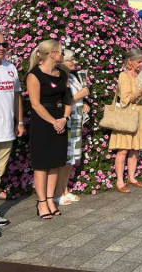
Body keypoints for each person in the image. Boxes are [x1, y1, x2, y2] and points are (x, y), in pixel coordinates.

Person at [27, 39, 72, 219]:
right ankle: (41, 202)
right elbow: (36, 104)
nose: (62, 55)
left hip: (60, 121)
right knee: (42, 164)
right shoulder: (34, 75)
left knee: (55, 163)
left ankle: (50, 199)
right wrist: (54, 121)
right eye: (60, 51)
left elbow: (68, 98)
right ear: (52, 53)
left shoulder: (62, 74)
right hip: (43, 124)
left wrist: (64, 118)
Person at [0, 27, 24, 238]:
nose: (2, 48)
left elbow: (17, 96)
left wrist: (19, 121)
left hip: (5, 131)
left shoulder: (10, 68)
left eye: (4, 44)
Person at [108, 49, 142, 193]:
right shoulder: (123, 76)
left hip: (139, 114)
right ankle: (119, 182)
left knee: (135, 148)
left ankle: (131, 178)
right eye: (139, 62)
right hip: (126, 116)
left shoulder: (139, 76)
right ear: (130, 62)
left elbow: (141, 99)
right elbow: (125, 99)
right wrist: (140, 92)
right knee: (123, 149)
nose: (141, 65)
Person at [54, 49, 89, 206]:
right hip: (66, 122)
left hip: (76, 121)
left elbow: (75, 98)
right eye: (71, 60)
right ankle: (57, 192)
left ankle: (65, 189)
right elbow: (61, 102)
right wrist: (79, 97)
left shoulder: (73, 77)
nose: (74, 62)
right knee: (64, 158)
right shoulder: (59, 77)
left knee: (71, 158)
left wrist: (84, 103)